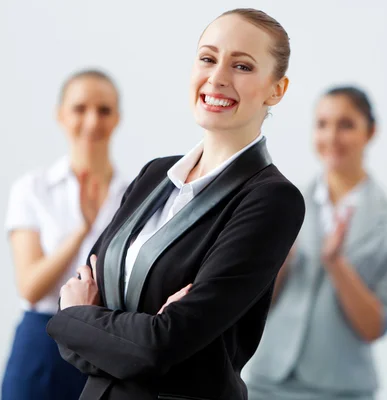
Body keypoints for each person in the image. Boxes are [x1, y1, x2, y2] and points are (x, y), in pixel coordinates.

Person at [45, 8, 305, 400]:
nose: (217, 77)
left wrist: (76, 317)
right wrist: (120, 334)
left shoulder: (271, 199)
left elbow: (161, 346)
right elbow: (86, 338)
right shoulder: (155, 175)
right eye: (208, 58)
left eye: (243, 66)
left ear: (277, 90)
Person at [245, 86, 387, 400]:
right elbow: (248, 304)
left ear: (371, 132)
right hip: (264, 381)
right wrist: (277, 263)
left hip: (341, 389)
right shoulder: (279, 203)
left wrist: (337, 264)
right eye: (322, 124)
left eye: (346, 125)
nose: (332, 137)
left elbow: (374, 326)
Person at [2, 69, 129, 400]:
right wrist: (82, 230)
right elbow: (30, 287)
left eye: (103, 110)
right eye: (79, 109)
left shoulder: (135, 195)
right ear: (61, 116)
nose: (91, 121)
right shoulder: (33, 189)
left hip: (108, 346)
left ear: (117, 118)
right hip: (42, 344)